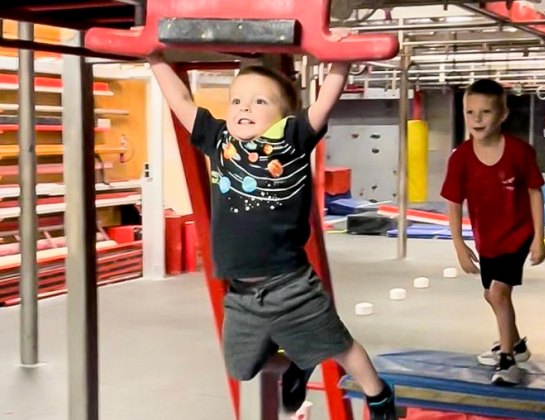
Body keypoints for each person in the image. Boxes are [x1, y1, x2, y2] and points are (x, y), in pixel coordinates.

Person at [147, 33, 397, 419]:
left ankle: (380, 396)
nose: (244, 108)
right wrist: (155, 59)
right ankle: (299, 358)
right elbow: (180, 100)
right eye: (237, 100)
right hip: (241, 293)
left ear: (282, 116)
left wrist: (341, 61)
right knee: (240, 367)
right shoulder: (218, 140)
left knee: (341, 346)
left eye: (258, 102)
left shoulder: (291, 139)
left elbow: (325, 102)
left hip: (290, 285)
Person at [440, 79, 545, 386]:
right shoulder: (460, 157)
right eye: (470, 112)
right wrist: (459, 244)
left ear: (502, 115)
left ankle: (507, 360)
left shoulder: (519, 152)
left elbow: (534, 192)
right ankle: (517, 344)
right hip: (487, 239)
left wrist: (538, 237)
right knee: (491, 294)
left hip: (518, 233)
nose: (476, 119)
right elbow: (453, 203)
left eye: (485, 112)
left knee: (499, 292)